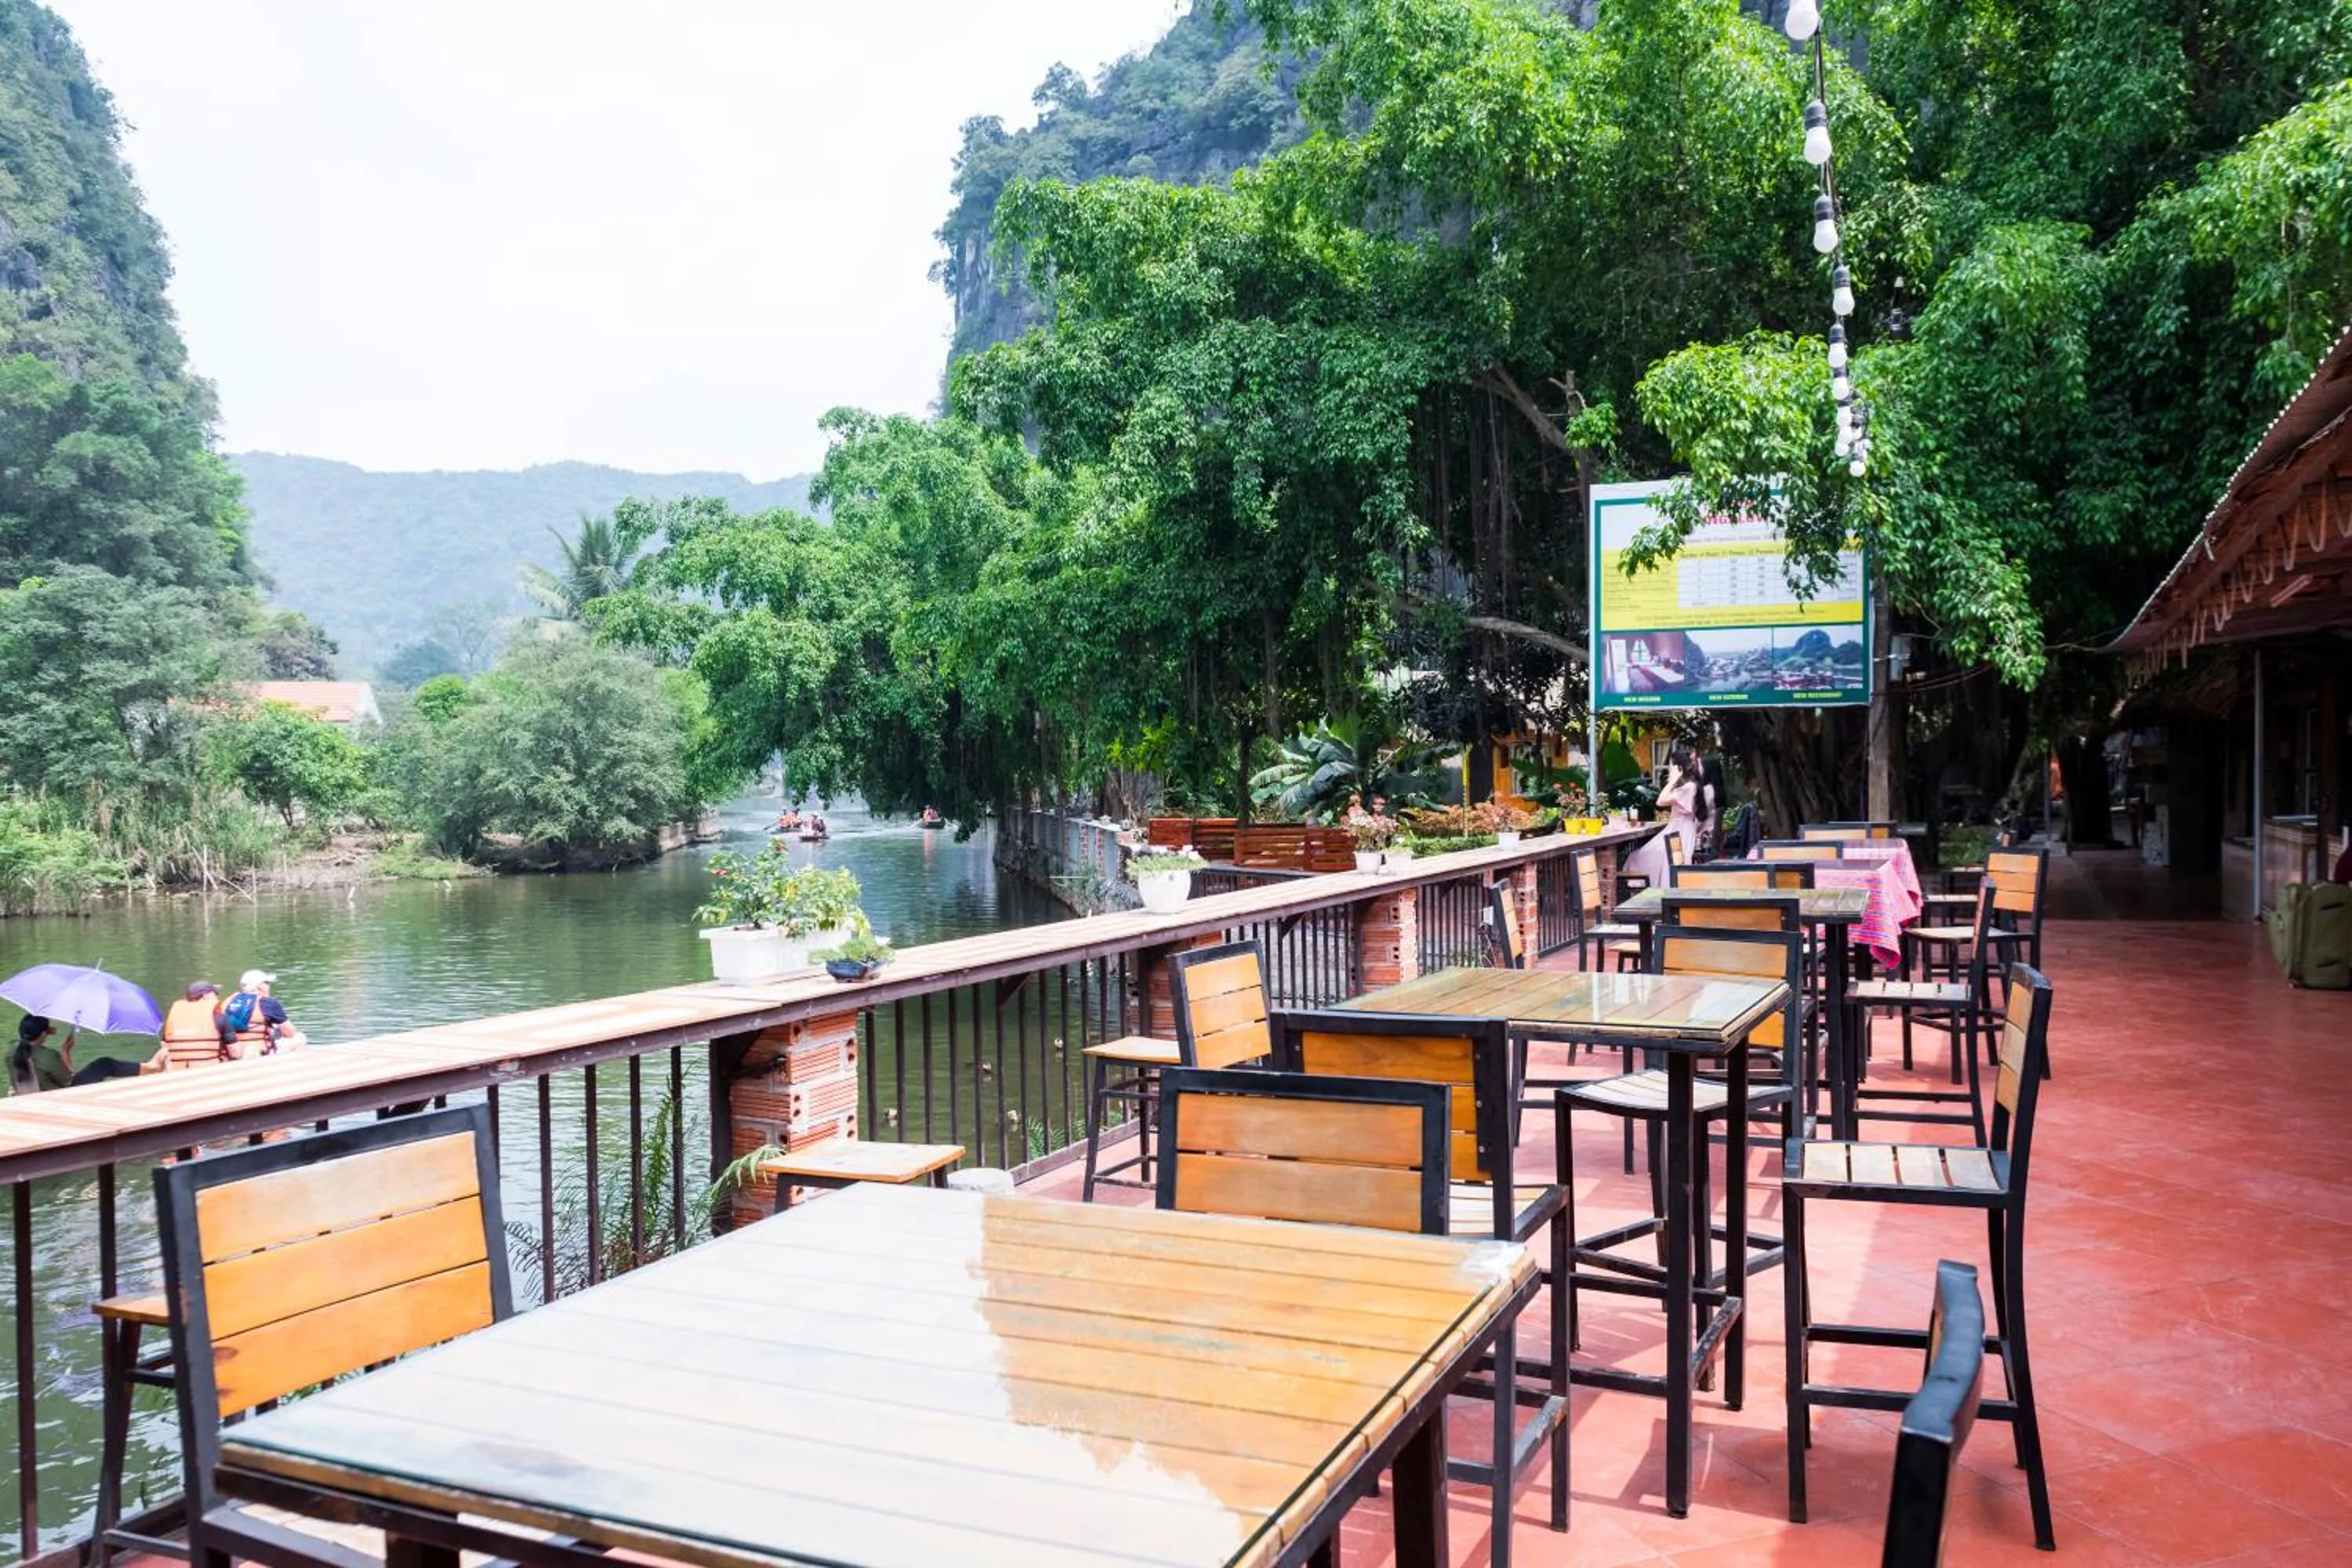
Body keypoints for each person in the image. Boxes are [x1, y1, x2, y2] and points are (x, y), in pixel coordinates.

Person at [10, 1015, 147, 1091]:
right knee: (105, 1064)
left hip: (33, 1094)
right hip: (59, 1097)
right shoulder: (48, 1056)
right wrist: (66, 1052)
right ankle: (151, 1068)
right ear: (43, 1034)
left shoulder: (11, 1052)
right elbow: (70, 1081)